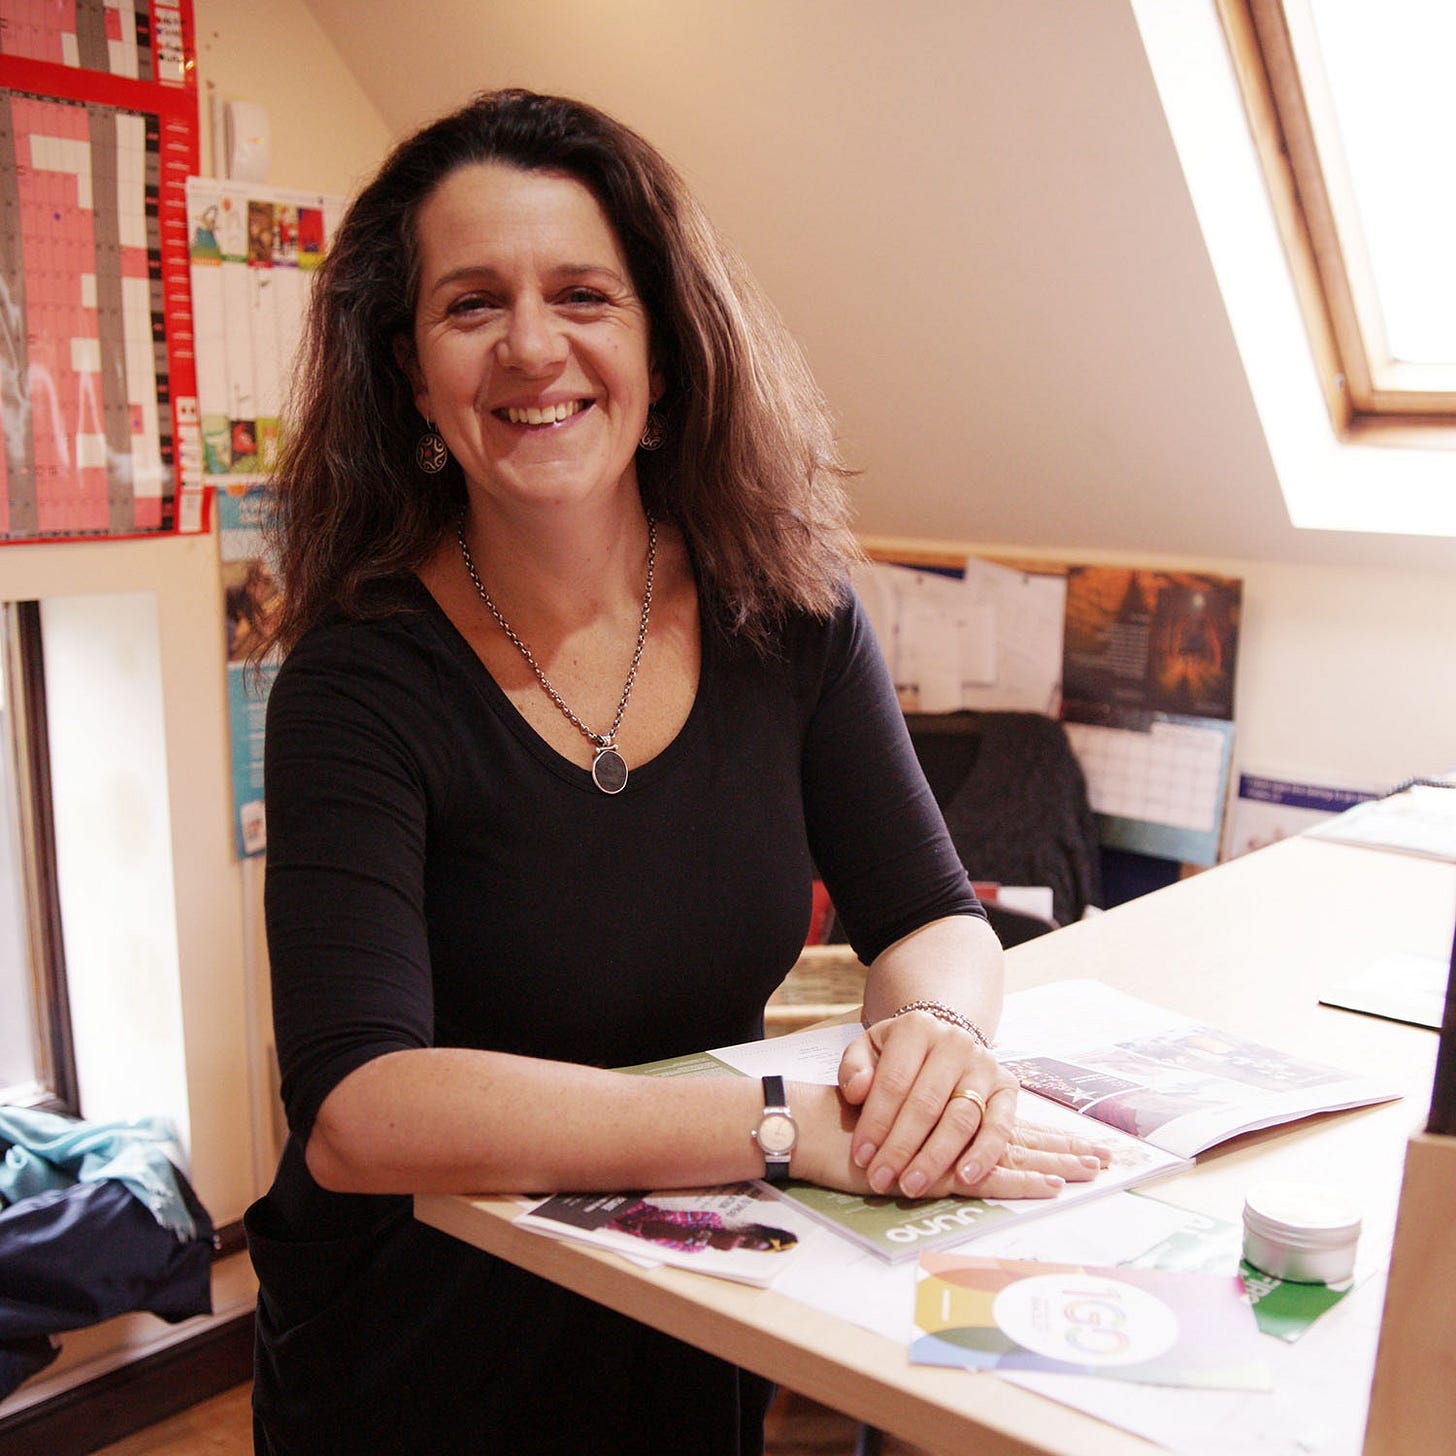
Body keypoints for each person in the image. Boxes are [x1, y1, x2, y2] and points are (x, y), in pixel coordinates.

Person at [245, 88, 1109, 1456]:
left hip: (691, 1306)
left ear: (663, 350)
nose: (533, 347)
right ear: (413, 380)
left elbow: (931, 914)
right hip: (417, 1352)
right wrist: (778, 1121)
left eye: (582, 292)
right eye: (471, 306)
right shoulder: (360, 685)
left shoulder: (792, 615)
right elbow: (360, 1111)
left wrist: (935, 1038)